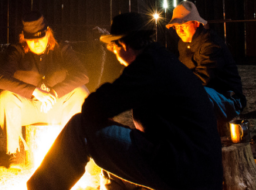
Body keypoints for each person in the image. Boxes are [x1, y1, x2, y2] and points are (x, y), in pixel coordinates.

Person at [27, 12, 222, 190]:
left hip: (182, 170)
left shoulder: (147, 66)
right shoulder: (163, 60)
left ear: (123, 45)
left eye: (113, 48)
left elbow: (96, 106)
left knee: (80, 128)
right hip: (196, 168)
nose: (115, 55)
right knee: (114, 140)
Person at [0, 11, 89, 168]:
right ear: (24, 37)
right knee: (4, 97)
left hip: (58, 107)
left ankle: (71, 149)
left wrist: (54, 92)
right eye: (31, 39)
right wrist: (34, 91)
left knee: (81, 92)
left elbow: (82, 75)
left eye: (40, 37)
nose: (37, 42)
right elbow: (0, 80)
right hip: (28, 109)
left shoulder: (62, 49)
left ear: (48, 33)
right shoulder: (16, 51)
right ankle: (15, 151)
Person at [166, 1, 246, 122]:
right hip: (202, 97)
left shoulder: (210, 44)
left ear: (196, 23)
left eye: (184, 25)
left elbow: (203, 78)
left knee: (196, 92)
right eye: (177, 27)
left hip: (226, 99)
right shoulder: (183, 44)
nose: (180, 31)